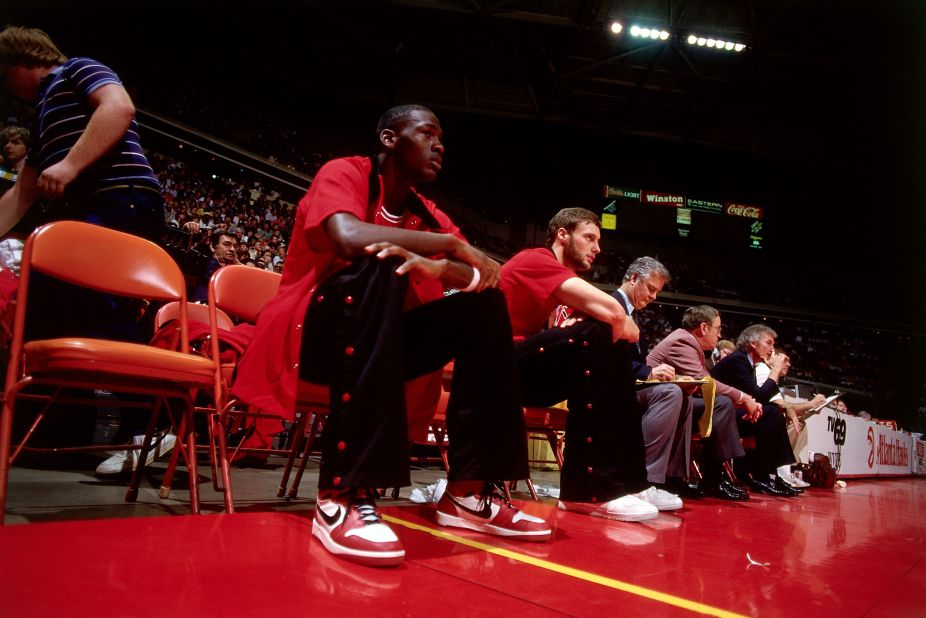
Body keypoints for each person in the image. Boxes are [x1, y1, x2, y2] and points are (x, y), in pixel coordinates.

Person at [231, 104, 551, 567]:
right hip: (312, 341)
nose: (439, 145)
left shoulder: (425, 210)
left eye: (442, 138)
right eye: (427, 134)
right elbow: (345, 236)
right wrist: (451, 246)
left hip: (380, 351)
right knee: (378, 260)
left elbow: (491, 274)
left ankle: (469, 493)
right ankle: (343, 495)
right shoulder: (345, 173)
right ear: (388, 140)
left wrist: (445, 266)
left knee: (485, 305)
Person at [0, 26, 173, 472]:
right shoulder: (41, 114)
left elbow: (119, 107)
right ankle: (59, 431)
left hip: (120, 197)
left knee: (101, 307)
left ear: (19, 61)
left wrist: (71, 164)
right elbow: (24, 189)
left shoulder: (77, 68)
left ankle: (147, 426)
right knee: (40, 309)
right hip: (82, 211)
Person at [500, 208, 681, 523]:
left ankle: (630, 482)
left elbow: (617, 323)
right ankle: (588, 490)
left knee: (606, 346)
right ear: (562, 234)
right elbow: (615, 315)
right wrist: (618, 324)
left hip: (521, 374)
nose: (597, 248)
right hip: (496, 368)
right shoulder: (536, 259)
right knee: (599, 331)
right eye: (589, 237)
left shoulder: (559, 282)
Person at [646, 305, 764, 501]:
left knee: (722, 404)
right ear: (703, 328)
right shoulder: (682, 341)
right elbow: (705, 383)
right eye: (718, 329)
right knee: (722, 404)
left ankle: (713, 477)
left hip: (671, 400)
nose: (719, 335)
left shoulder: (689, 343)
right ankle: (712, 478)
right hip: (655, 404)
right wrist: (743, 398)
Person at [612, 257, 698, 499]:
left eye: (657, 292)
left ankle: (669, 478)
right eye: (651, 289)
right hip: (609, 390)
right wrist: (648, 373)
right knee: (670, 392)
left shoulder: (630, 313)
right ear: (633, 278)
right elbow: (609, 359)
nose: (653, 297)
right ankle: (640, 480)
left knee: (683, 395)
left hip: (627, 386)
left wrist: (653, 374)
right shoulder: (612, 306)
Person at [709, 324, 802, 496]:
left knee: (772, 411)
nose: (772, 349)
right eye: (768, 343)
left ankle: (770, 475)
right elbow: (758, 396)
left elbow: (757, 397)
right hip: (717, 415)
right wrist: (774, 370)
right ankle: (764, 475)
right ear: (753, 343)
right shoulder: (738, 359)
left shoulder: (747, 361)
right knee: (771, 414)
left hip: (731, 412)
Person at [190, 231, 239, 302]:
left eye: (235, 246)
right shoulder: (203, 262)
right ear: (212, 246)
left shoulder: (235, 270)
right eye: (226, 244)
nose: (232, 249)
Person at [0, 125, 29, 192]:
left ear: (28, 148)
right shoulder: (1, 169)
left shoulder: (34, 175)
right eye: (5, 142)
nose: (7, 146)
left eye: (15, 142)